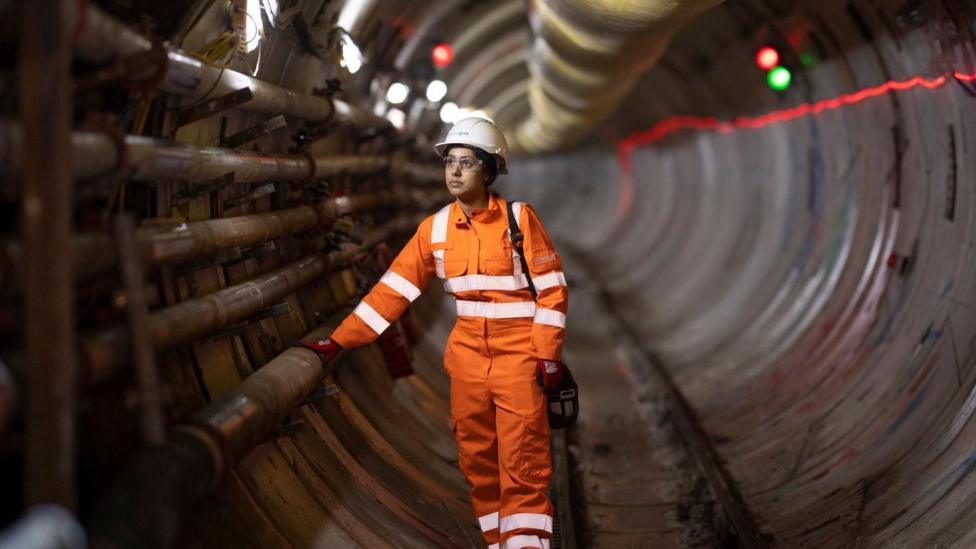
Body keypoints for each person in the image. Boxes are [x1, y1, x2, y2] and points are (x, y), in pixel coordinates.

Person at [302, 117, 569, 549]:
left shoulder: (519, 221)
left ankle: (528, 545)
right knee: (478, 461)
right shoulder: (436, 229)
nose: (455, 172)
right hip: (466, 359)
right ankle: (501, 543)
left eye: (466, 163)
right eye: (450, 162)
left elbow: (553, 291)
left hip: (519, 355)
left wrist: (547, 355)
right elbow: (393, 290)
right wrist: (340, 339)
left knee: (523, 458)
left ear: (488, 170)